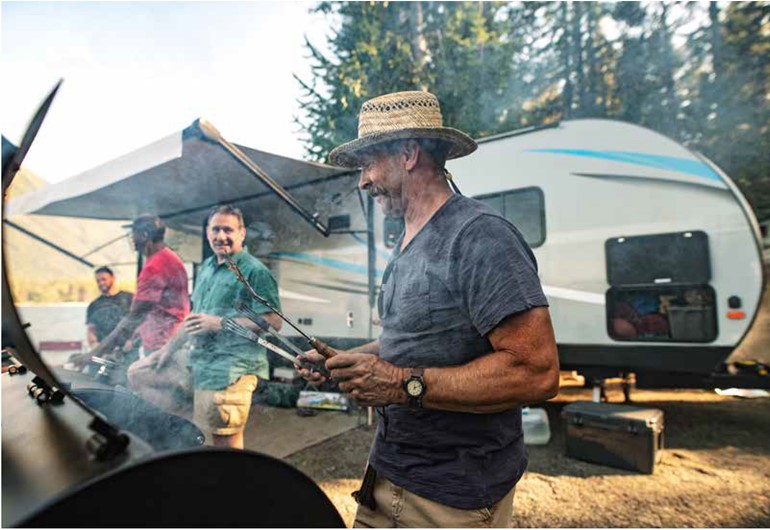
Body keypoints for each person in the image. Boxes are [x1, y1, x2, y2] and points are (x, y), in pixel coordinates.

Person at [297, 91, 560, 528]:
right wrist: (348, 361)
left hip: (452, 498)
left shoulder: (480, 236)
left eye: (368, 164)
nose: (362, 182)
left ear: (408, 153)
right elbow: (413, 339)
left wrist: (401, 384)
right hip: (388, 474)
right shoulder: (406, 241)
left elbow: (537, 371)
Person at [135, 205, 282, 449]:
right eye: (215, 229)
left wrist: (219, 323)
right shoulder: (207, 267)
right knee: (138, 373)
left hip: (229, 370)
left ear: (242, 233)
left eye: (228, 230)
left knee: (223, 445)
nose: (221, 236)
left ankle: (224, 474)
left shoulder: (255, 271)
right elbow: (193, 318)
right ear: (207, 232)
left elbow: (273, 321)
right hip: (200, 363)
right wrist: (167, 350)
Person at [90, 215, 190, 362]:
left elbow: (134, 317)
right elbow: (157, 309)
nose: (132, 239)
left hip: (162, 345)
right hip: (174, 339)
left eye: (134, 234)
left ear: (144, 235)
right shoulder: (169, 257)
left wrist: (94, 353)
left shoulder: (154, 267)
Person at [85, 266, 133, 352]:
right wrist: (94, 344)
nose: (101, 283)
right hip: (104, 351)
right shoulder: (94, 305)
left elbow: (139, 322)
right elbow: (91, 329)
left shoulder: (129, 298)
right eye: (98, 281)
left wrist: (132, 340)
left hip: (128, 350)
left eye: (104, 279)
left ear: (113, 278)